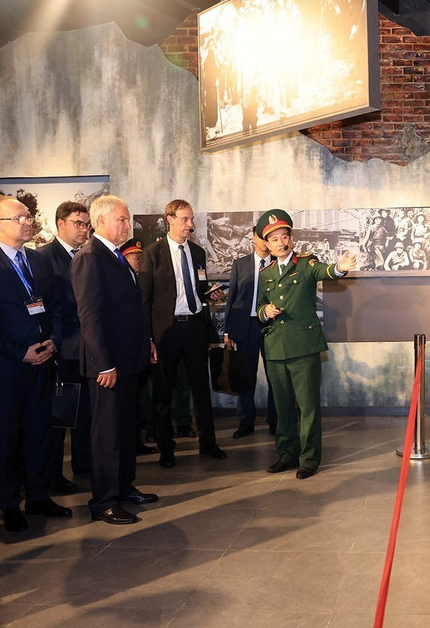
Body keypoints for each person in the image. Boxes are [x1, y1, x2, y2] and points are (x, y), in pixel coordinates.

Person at [0, 195, 71, 532]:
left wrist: (53, 339)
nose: (28, 222)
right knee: (7, 435)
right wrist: (19, 352)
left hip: (42, 360)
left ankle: (38, 494)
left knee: (40, 430)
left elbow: (53, 306)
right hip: (9, 367)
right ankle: (9, 502)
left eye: (28, 216)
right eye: (19, 218)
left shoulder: (38, 261)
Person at [71, 196, 158, 525]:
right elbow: (90, 317)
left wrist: (146, 340)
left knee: (124, 429)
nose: (127, 225)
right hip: (108, 366)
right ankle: (104, 500)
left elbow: (131, 309)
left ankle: (123, 487)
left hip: (128, 360)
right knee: (106, 434)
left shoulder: (116, 257)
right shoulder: (89, 258)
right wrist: (103, 363)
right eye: (121, 219)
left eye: (127, 219)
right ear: (101, 221)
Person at [256, 209, 356, 479]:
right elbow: (258, 308)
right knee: (282, 407)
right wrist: (266, 311)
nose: (280, 243)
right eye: (274, 239)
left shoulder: (306, 264)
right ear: (267, 243)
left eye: (284, 236)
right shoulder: (265, 274)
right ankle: (287, 454)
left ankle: (309, 459)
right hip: (276, 347)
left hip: (303, 347)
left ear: (291, 238)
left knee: (308, 406)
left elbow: (327, 271)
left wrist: (340, 268)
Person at [139, 199, 226, 469]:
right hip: (166, 331)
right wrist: (148, 339)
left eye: (191, 219)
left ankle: (208, 443)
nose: (191, 224)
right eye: (185, 219)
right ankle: (166, 448)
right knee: (163, 393)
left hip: (195, 327)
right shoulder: (152, 253)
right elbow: (145, 300)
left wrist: (210, 295)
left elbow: (196, 289)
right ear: (170, 219)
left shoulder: (198, 253)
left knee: (201, 389)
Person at [38, 201, 93, 494]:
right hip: (63, 346)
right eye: (78, 223)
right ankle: (52, 474)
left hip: (89, 346)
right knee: (59, 415)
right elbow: (45, 307)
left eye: (86, 224)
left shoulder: (89, 255)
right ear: (61, 224)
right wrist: (54, 344)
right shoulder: (44, 257)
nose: (84, 229)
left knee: (86, 411)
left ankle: (83, 462)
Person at [222, 225, 277, 439]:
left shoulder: (277, 263)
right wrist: (227, 330)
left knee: (275, 376)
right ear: (253, 239)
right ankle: (246, 421)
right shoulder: (240, 264)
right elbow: (232, 299)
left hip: (272, 326)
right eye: (260, 236)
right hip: (245, 327)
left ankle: (275, 419)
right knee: (245, 375)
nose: (264, 240)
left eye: (267, 236)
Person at [120, 238, 159, 456]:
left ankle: (138, 438)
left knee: (140, 396)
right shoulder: (124, 279)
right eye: (136, 257)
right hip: (128, 349)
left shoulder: (140, 280)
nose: (140, 261)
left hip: (141, 345)